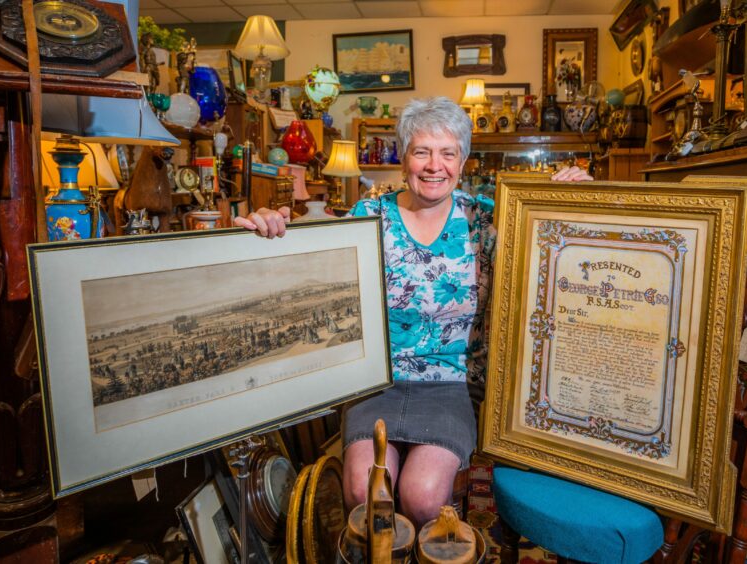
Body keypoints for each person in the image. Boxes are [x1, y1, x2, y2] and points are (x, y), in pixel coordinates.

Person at [235, 97, 592, 528]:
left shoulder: (487, 219)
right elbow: (316, 265)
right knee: (366, 495)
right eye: (421, 151)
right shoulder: (369, 216)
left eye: (447, 152)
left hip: (452, 383)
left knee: (421, 497)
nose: (433, 165)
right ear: (403, 159)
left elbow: (553, 248)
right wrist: (270, 228)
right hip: (377, 380)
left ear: (463, 161)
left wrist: (573, 195)